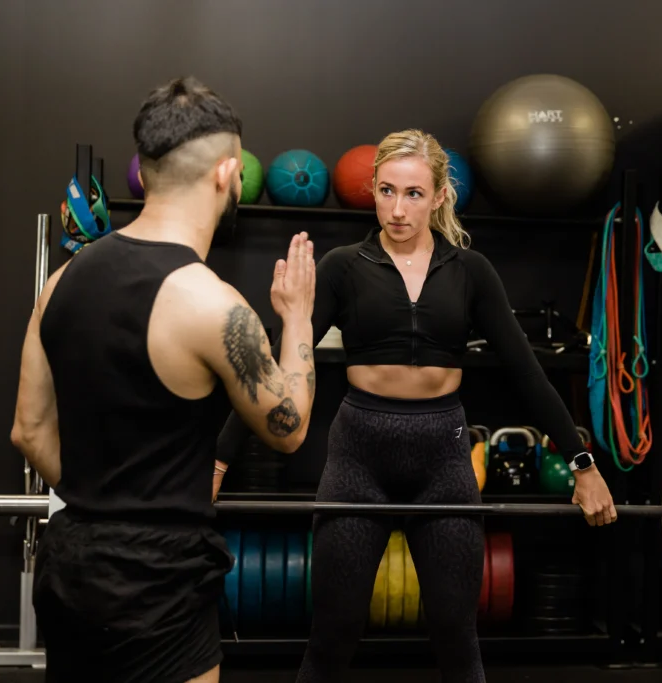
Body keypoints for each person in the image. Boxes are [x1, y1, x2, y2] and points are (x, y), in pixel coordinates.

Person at [217, 128, 618, 681]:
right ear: (374, 191)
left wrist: (583, 465)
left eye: (412, 194)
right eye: (386, 191)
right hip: (359, 452)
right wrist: (217, 462)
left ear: (438, 197)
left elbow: (527, 373)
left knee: (457, 636)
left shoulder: (471, 272)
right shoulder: (342, 267)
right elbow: (267, 371)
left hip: (443, 456)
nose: (398, 209)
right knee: (333, 633)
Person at [9, 76, 317, 683]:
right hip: (159, 581)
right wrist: (299, 318)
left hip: (70, 563)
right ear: (228, 175)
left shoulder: (62, 281)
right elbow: (290, 429)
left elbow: (27, 430)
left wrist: (104, 506)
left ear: (144, 172)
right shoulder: (213, 305)